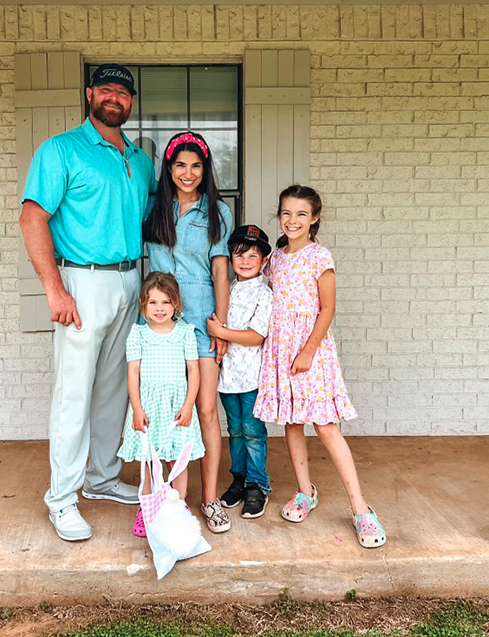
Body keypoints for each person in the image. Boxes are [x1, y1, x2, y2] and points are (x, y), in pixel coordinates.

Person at [19, 63, 157, 542]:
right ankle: (62, 498)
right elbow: (32, 217)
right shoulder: (61, 149)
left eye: (123, 91)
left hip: (129, 280)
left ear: (130, 101)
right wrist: (55, 289)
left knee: (114, 389)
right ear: (89, 94)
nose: (114, 97)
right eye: (106, 89)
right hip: (82, 281)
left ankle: (100, 479)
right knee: (74, 393)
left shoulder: (139, 159)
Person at [253, 185, 387, 548]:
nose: (292, 220)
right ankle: (303, 491)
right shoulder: (275, 260)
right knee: (292, 424)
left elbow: (327, 308)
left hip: (311, 349)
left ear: (314, 218)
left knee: (326, 427)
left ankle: (360, 508)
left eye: (300, 214)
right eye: (286, 213)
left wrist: (308, 350)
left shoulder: (319, 256)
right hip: (281, 349)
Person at [143, 131, 233, 533]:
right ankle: (166, 496)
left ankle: (209, 498)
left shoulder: (217, 212)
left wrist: (222, 327)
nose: (188, 173)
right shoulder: (152, 208)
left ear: (205, 170)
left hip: (200, 319)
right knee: (165, 410)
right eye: (180, 164)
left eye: (196, 166)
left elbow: (220, 271)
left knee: (206, 411)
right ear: (169, 167)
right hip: (161, 322)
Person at [117, 272, 204, 538]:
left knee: (177, 459)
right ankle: (147, 508)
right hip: (149, 407)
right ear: (143, 304)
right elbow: (132, 373)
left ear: (176, 304)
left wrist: (189, 405)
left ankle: (177, 505)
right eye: (153, 302)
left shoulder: (185, 333)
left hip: (177, 405)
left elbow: (194, 371)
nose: (159, 308)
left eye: (165, 302)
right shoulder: (138, 334)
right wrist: (137, 408)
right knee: (148, 460)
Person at [206, 225, 273, 519]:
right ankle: (239, 479)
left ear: (264, 261)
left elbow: (256, 336)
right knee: (234, 430)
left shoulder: (264, 293)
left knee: (253, 431)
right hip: (227, 376)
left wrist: (221, 331)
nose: (245, 261)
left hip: (252, 377)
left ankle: (257, 484)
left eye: (253, 256)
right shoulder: (227, 289)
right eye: (239, 255)